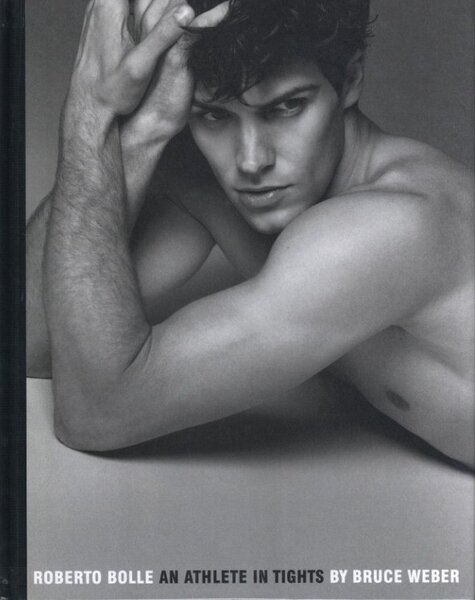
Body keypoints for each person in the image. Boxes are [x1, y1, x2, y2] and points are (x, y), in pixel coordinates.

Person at [26, 0, 474, 468]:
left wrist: (90, 112)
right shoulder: (215, 181)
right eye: (214, 116)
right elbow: (31, 342)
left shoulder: (394, 226)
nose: (251, 160)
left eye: (286, 107)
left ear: (351, 79)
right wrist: (141, 135)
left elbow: (96, 414)